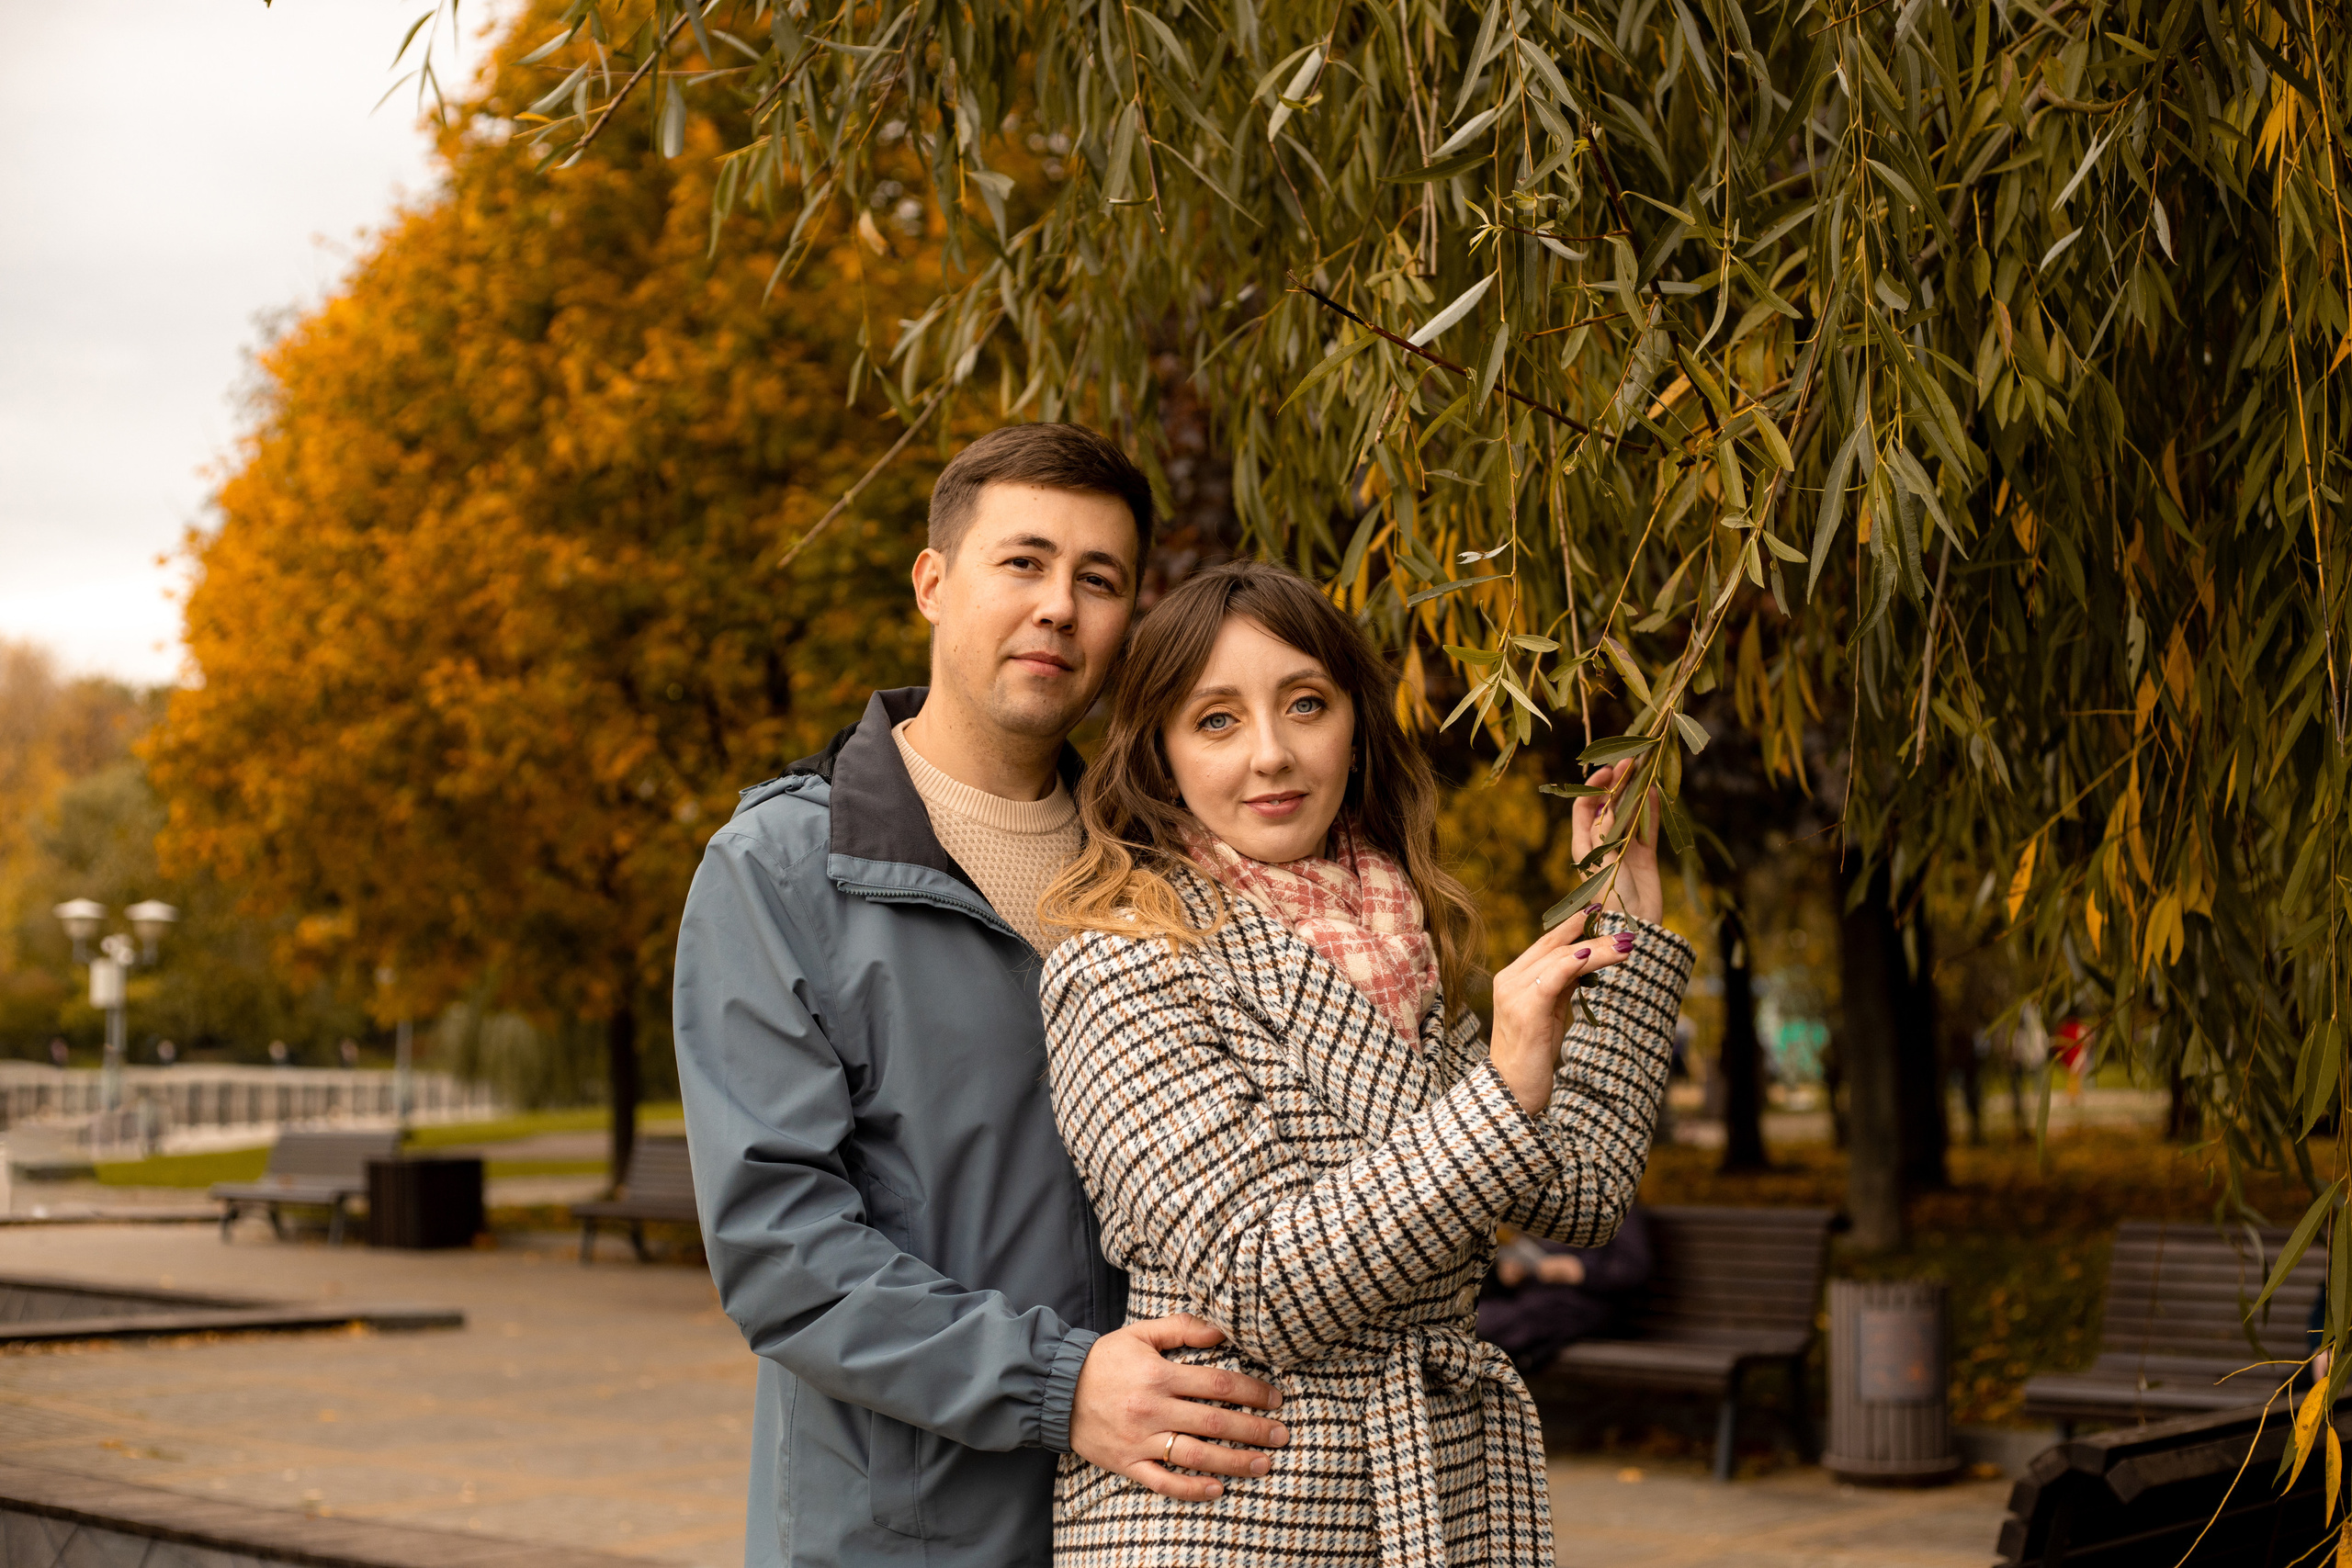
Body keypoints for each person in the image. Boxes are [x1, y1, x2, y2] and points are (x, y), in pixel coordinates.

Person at [673, 425, 1288, 1568]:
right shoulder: (778, 872)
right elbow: (779, 1248)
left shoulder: (1169, 870)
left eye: (1097, 580)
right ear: (933, 582)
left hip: (1159, 1523)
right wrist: (1059, 1384)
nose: (1059, 605)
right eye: (1024, 562)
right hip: (904, 1536)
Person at [1037, 560, 1695, 1566]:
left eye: (1305, 704)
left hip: (1431, 1489)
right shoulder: (1119, 961)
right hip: (1230, 1511)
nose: (1271, 755)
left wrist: (1625, 919)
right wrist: (1499, 1092)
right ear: (1161, 755)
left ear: (1354, 721)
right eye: (1215, 720)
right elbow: (1257, 1285)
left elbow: (1582, 1193)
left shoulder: (1402, 938)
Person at [1477, 1205, 1656, 1374]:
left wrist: (1580, 1271)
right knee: (1470, 1324)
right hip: (1536, 1302)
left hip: (1582, 1306)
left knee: (1478, 1327)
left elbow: (1633, 1268)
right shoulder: (1557, 1198)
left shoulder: (1617, 1201)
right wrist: (1513, 1273)